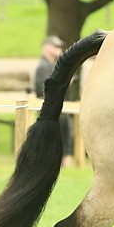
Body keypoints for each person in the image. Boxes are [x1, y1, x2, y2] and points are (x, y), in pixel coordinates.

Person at [34, 35, 74, 166]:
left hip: (60, 109)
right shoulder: (42, 67)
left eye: (59, 47)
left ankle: (66, 161)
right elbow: (44, 89)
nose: (59, 49)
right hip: (50, 111)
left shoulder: (56, 65)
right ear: (46, 48)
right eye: (55, 46)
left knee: (65, 134)